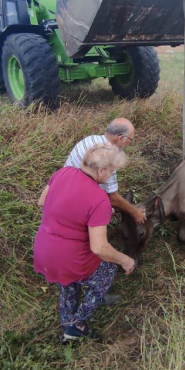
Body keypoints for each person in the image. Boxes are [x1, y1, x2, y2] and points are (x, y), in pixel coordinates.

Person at [34, 143, 137, 342]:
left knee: (68, 285)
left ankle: (66, 326)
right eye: (112, 171)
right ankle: (77, 324)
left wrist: (89, 215)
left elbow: (42, 201)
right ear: (101, 171)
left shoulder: (63, 173)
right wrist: (125, 260)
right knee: (106, 272)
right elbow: (99, 248)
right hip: (70, 259)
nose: (111, 175)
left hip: (44, 251)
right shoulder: (99, 199)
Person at [65, 117, 146, 224]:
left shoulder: (92, 139)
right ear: (121, 138)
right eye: (130, 140)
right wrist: (135, 212)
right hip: (72, 205)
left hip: (65, 188)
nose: (129, 144)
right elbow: (112, 198)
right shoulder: (108, 156)